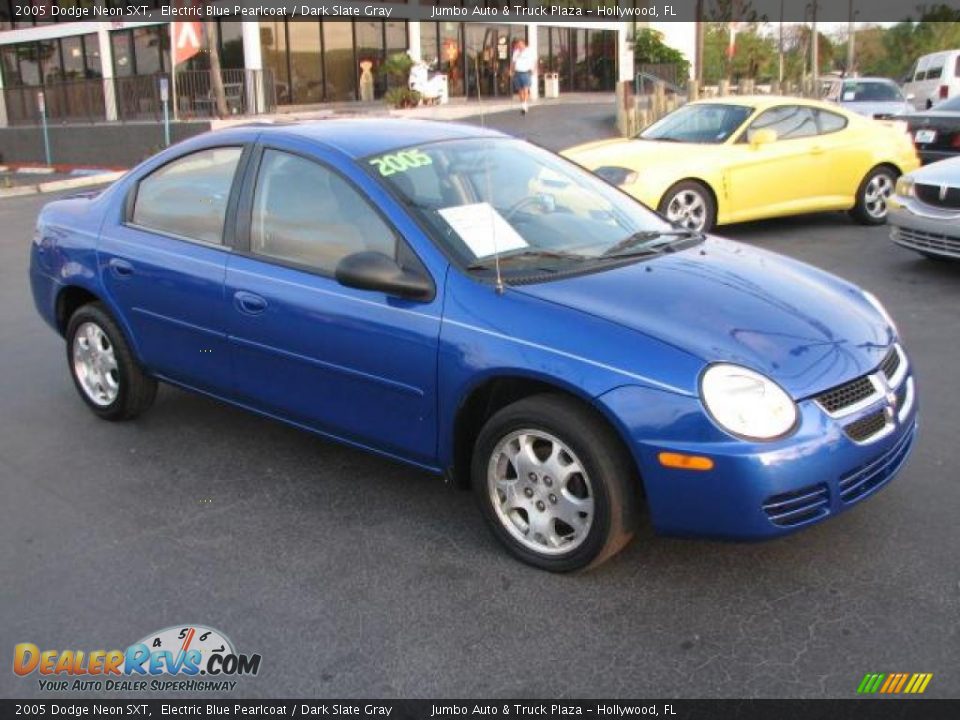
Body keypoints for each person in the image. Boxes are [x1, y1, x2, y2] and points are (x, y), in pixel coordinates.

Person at [511, 39, 536, 115]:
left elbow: (534, 61)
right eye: (518, 45)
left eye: (521, 44)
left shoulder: (529, 51)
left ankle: (525, 105)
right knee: (520, 90)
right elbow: (513, 62)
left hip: (526, 72)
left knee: (526, 89)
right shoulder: (516, 52)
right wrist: (511, 70)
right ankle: (523, 105)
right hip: (518, 72)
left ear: (524, 44)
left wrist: (533, 69)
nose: (519, 46)